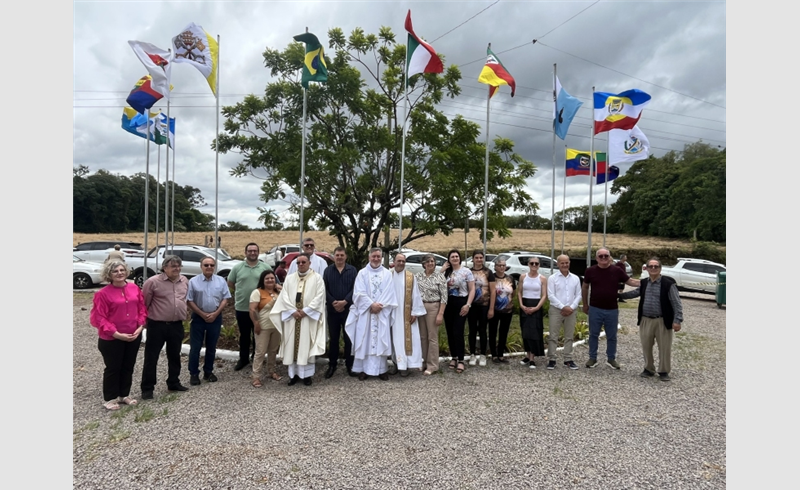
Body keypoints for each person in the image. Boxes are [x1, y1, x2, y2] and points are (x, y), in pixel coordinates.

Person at [90, 260, 146, 410]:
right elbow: (100, 317)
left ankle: (123, 394)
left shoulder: (134, 288)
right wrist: (116, 334)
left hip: (133, 335)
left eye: (122, 270)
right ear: (109, 274)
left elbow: (142, 309)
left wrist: (140, 327)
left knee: (128, 366)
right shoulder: (102, 294)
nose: (119, 273)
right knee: (113, 367)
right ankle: (110, 398)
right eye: (115, 271)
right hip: (112, 338)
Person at [619, 257, 683, 381]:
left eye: (656, 266)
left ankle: (664, 371)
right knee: (646, 346)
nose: (653, 268)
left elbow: (677, 303)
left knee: (664, 347)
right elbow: (634, 293)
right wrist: (617, 296)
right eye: (651, 266)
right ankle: (648, 368)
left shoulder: (668, 284)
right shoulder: (644, 283)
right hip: (645, 320)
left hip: (663, 321)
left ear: (660, 268)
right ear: (647, 268)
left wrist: (677, 320)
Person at [269, 253, 327, 386]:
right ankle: (293, 375)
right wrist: (292, 311)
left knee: (306, 345)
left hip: (308, 318)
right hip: (292, 318)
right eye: (298, 263)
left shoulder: (317, 278)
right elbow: (284, 297)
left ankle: (306, 376)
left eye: (303, 262)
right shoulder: (289, 279)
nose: (301, 265)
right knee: (292, 346)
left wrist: (306, 311)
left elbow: (319, 297)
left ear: (309, 263)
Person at [140, 255, 190, 399]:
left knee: (174, 355)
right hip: (157, 326)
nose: (177, 268)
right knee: (151, 357)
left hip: (176, 325)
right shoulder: (152, 282)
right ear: (164, 268)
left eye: (179, 265)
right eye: (173, 266)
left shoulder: (184, 280)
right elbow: (145, 303)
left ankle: (174, 382)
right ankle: (147, 388)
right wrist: (144, 323)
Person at [582, 248, 640, 369]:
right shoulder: (590, 271)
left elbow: (631, 281)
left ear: (610, 257)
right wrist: (585, 304)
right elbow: (585, 288)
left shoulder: (617, 270)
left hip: (612, 309)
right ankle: (592, 358)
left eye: (606, 256)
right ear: (597, 258)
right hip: (595, 308)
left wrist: (648, 281)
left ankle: (611, 358)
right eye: (601, 256)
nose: (603, 258)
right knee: (593, 334)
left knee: (612, 335)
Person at [345, 247, 398, 381]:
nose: (376, 259)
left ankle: (382, 370)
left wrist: (379, 306)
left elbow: (390, 292)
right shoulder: (362, 273)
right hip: (366, 313)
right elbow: (358, 292)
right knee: (365, 340)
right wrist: (370, 305)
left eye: (378, 257)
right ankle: (364, 370)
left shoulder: (387, 274)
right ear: (369, 257)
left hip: (381, 313)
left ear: (381, 258)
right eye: (373, 256)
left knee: (380, 339)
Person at [186, 257, 231, 385]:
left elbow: (225, 298)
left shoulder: (221, 280)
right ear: (201, 266)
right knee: (195, 348)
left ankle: (208, 372)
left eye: (212, 265)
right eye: (206, 265)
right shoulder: (193, 282)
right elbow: (189, 300)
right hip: (199, 318)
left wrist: (216, 313)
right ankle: (194, 373)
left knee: (211, 347)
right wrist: (202, 314)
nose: (209, 267)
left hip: (215, 318)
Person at [227, 242, 271, 371]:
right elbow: (230, 282)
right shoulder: (237, 268)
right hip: (242, 307)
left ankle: (256, 358)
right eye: (250, 251)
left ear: (258, 252)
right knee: (244, 335)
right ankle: (243, 359)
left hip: (260, 308)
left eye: (255, 251)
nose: (252, 253)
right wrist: (242, 293)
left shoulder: (265, 267)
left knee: (258, 335)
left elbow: (271, 283)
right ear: (245, 252)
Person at [322, 246, 358, 378]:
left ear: (346, 256)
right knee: (334, 339)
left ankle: (350, 364)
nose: (339, 257)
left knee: (349, 338)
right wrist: (333, 302)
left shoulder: (352, 270)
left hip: (348, 310)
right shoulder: (328, 271)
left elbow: (356, 288)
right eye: (337, 255)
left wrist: (345, 302)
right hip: (332, 310)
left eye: (342, 255)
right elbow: (324, 289)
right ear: (334, 256)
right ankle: (332, 364)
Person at [389, 254, 426, 376]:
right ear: (394, 262)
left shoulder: (410, 277)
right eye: (399, 261)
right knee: (393, 339)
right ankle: (395, 363)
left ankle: (405, 366)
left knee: (406, 341)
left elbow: (415, 294)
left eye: (403, 261)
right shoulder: (389, 275)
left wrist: (415, 312)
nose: (401, 263)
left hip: (406, 314)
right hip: (392, 314)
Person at [440, 249, 475, 374]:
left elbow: (472, 289)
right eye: (452, 257)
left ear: (459, 258)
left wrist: (468, 305)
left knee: (458, 331)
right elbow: (436, 282)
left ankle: (461, 359)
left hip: (461, 303)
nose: (454, 258)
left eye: (456, 256)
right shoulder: (446, 272)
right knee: (449, 331)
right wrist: (443, 269)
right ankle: (453, 357)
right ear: (449, 259)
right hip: (448, 303)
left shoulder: (466, 272)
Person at [545, 255, 582, 370]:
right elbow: (550, 295)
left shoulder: (575, 278)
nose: (565, 265)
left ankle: (568, 358)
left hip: (571, 310)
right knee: (553, 335)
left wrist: (571, 307)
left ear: (569, 263)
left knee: (569, 336)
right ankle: (552, 359)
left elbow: (578, 295)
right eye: (562, 263)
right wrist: (563, 307)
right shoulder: (552, 278)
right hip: (556, 310)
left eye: (567, 262)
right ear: (558, 264)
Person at [249, 270, 283, 387]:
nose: (270, 280)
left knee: (273, 351)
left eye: (272, 278)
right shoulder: (257, 292)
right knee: (260, 352)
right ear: (263, 280)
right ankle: (256, 376)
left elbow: (288, 301)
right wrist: (256, 323)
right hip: (263, 327)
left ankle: (271, 371)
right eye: (267, 278)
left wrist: (281, 288)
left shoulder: (278, 292)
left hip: (276, 326)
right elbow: (252, 309)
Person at [415, 254, 447, 375]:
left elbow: (444, 297)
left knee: (432, 337)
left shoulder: (439, 277)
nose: (430, 263)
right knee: (422, 336)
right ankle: (423, 362)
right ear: (424, 264)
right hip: (420, 307)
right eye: (428, 261)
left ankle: (433, 365)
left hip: (434, 307)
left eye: (432, 261)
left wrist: (440, 313)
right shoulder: (418, 276)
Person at [518, 257, 548, 369]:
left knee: (535, 332)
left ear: (539, 265)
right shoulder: (523, 277)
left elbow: (544, 295)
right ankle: (527, 355)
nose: (534, 265)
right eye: (532, 263)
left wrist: (536, 308)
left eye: (536, 263)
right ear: (528, 264)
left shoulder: (543, 278)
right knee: (525, 331)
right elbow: (519, 292)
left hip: (536, 305)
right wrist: (521, 305)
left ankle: (532, 358)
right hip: (524, 305)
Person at [467, 250, 495, 367]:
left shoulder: (488, 272)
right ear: (473, 259)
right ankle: (472, 354)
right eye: (476, 258)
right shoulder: (468, 272)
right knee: (472, 330)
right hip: (471, 306)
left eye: (481, 258)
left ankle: (483, 354)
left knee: (483, 330)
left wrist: (491, 308)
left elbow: (493, 291)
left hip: (484, 305)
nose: (479, 260)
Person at [488, 259, 515, 364]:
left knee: (503, 332)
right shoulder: (491, 278)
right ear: (495, 267)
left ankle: (501, 354)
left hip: (507, 311)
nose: (501, 267)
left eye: (503, 265)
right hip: (494, 310)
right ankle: (494, 355)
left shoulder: (510, 278)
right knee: (492, 332)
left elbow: (513, 292)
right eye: (499, 265)